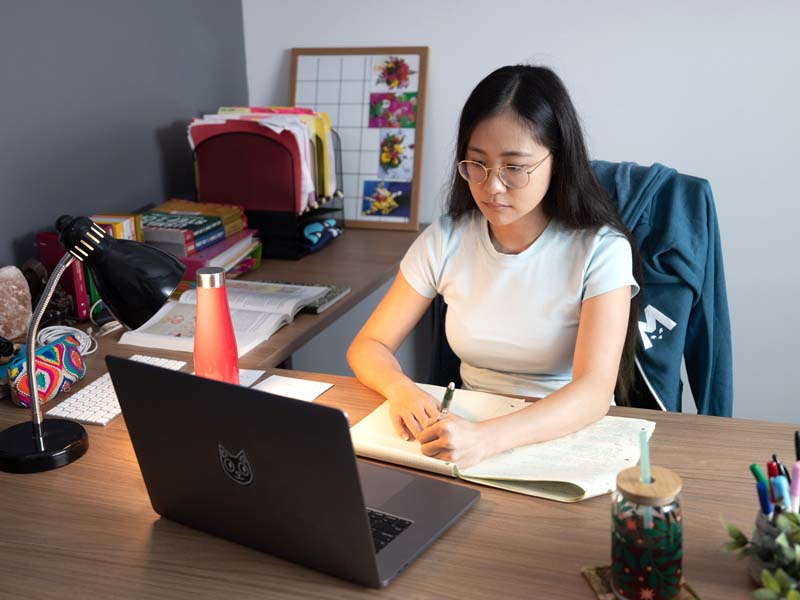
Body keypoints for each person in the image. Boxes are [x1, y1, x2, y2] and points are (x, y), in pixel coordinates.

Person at [347, 65, 642, 468]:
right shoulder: (447, 238)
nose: (492, 187)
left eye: (514, 168)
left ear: (557, 161)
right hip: (466, 425)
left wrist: (488, 439)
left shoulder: (601, 250)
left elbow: (592, 392)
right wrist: (400, 389)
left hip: (565, 431)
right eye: (477, 164)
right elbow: (369, 345)